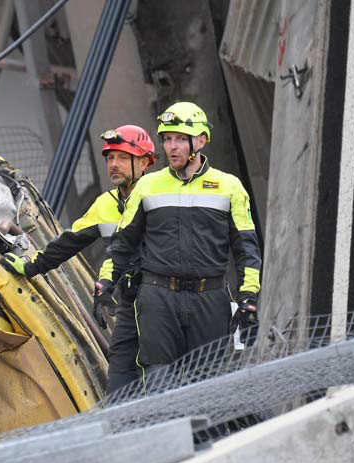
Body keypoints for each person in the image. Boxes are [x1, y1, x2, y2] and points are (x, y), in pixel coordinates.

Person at [109, 101, 262, 385]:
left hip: (210, 299)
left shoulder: (230, 186)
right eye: (167, 139)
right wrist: (107, 283)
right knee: (159, 381)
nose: (172, 147)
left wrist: (249, 299)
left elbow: (247, 250)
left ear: (201, 140)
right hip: (158, 298)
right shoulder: (147, 185)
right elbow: (122, 243)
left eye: (180, 138)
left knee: (207, 384)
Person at [4, 124, 156, 393]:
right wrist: (30, 267)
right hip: (130, 306)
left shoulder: (162, 197)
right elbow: (68, 242)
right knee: (119, 381)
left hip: (166, 303)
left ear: (144, 162)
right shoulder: (105, 204)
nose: (114, 165)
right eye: (110, 158)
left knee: (165, 379)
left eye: (122, 157)